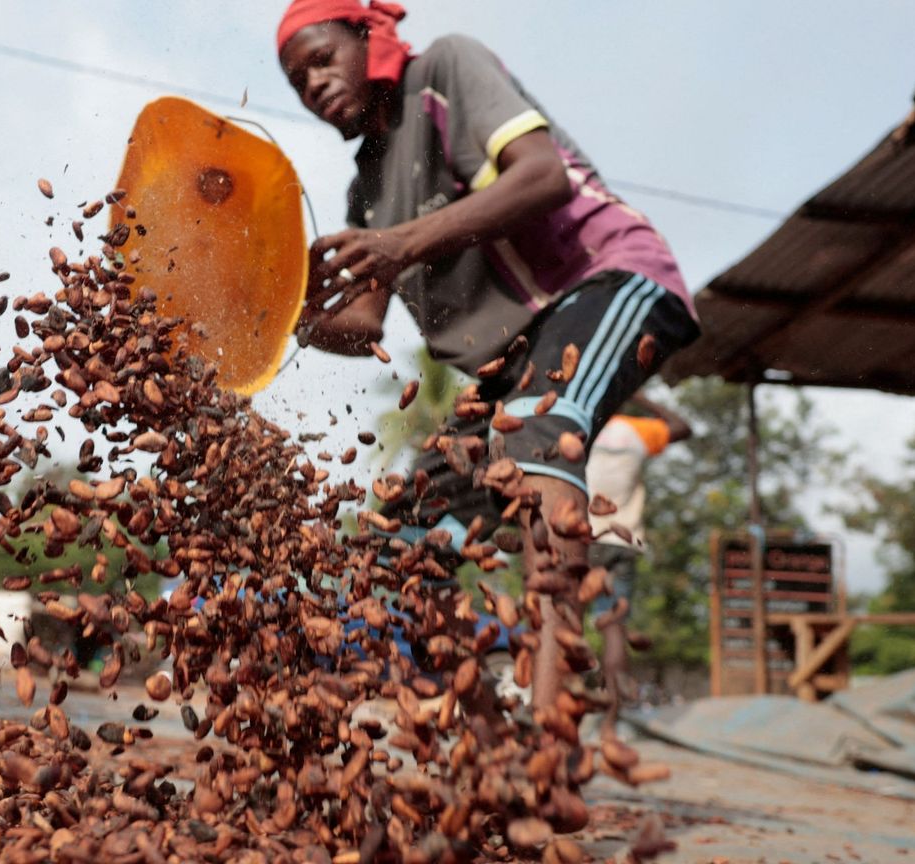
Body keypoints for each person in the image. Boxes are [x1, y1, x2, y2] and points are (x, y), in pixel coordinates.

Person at [276, 0, 700, 711]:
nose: (314, 85)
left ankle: (550, 722)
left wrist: (402, 244)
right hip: (512, 366)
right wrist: (280, 315)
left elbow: (542, 177)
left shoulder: (444, 66)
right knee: (401, 531)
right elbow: (364, 324)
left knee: (539, 434)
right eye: (297, 81)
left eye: (322, 59)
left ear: (368, 34)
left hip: (604, 279)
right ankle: (478, 743)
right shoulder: (367, 188)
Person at [586, 395, 692, 732]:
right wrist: (640, 397)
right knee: (614, 627)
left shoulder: (582, 429)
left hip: (580, 539)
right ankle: (611, 722)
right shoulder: (635, 432)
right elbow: (683, 427)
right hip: (623, 541)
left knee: (564, 620)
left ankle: (558, 711)